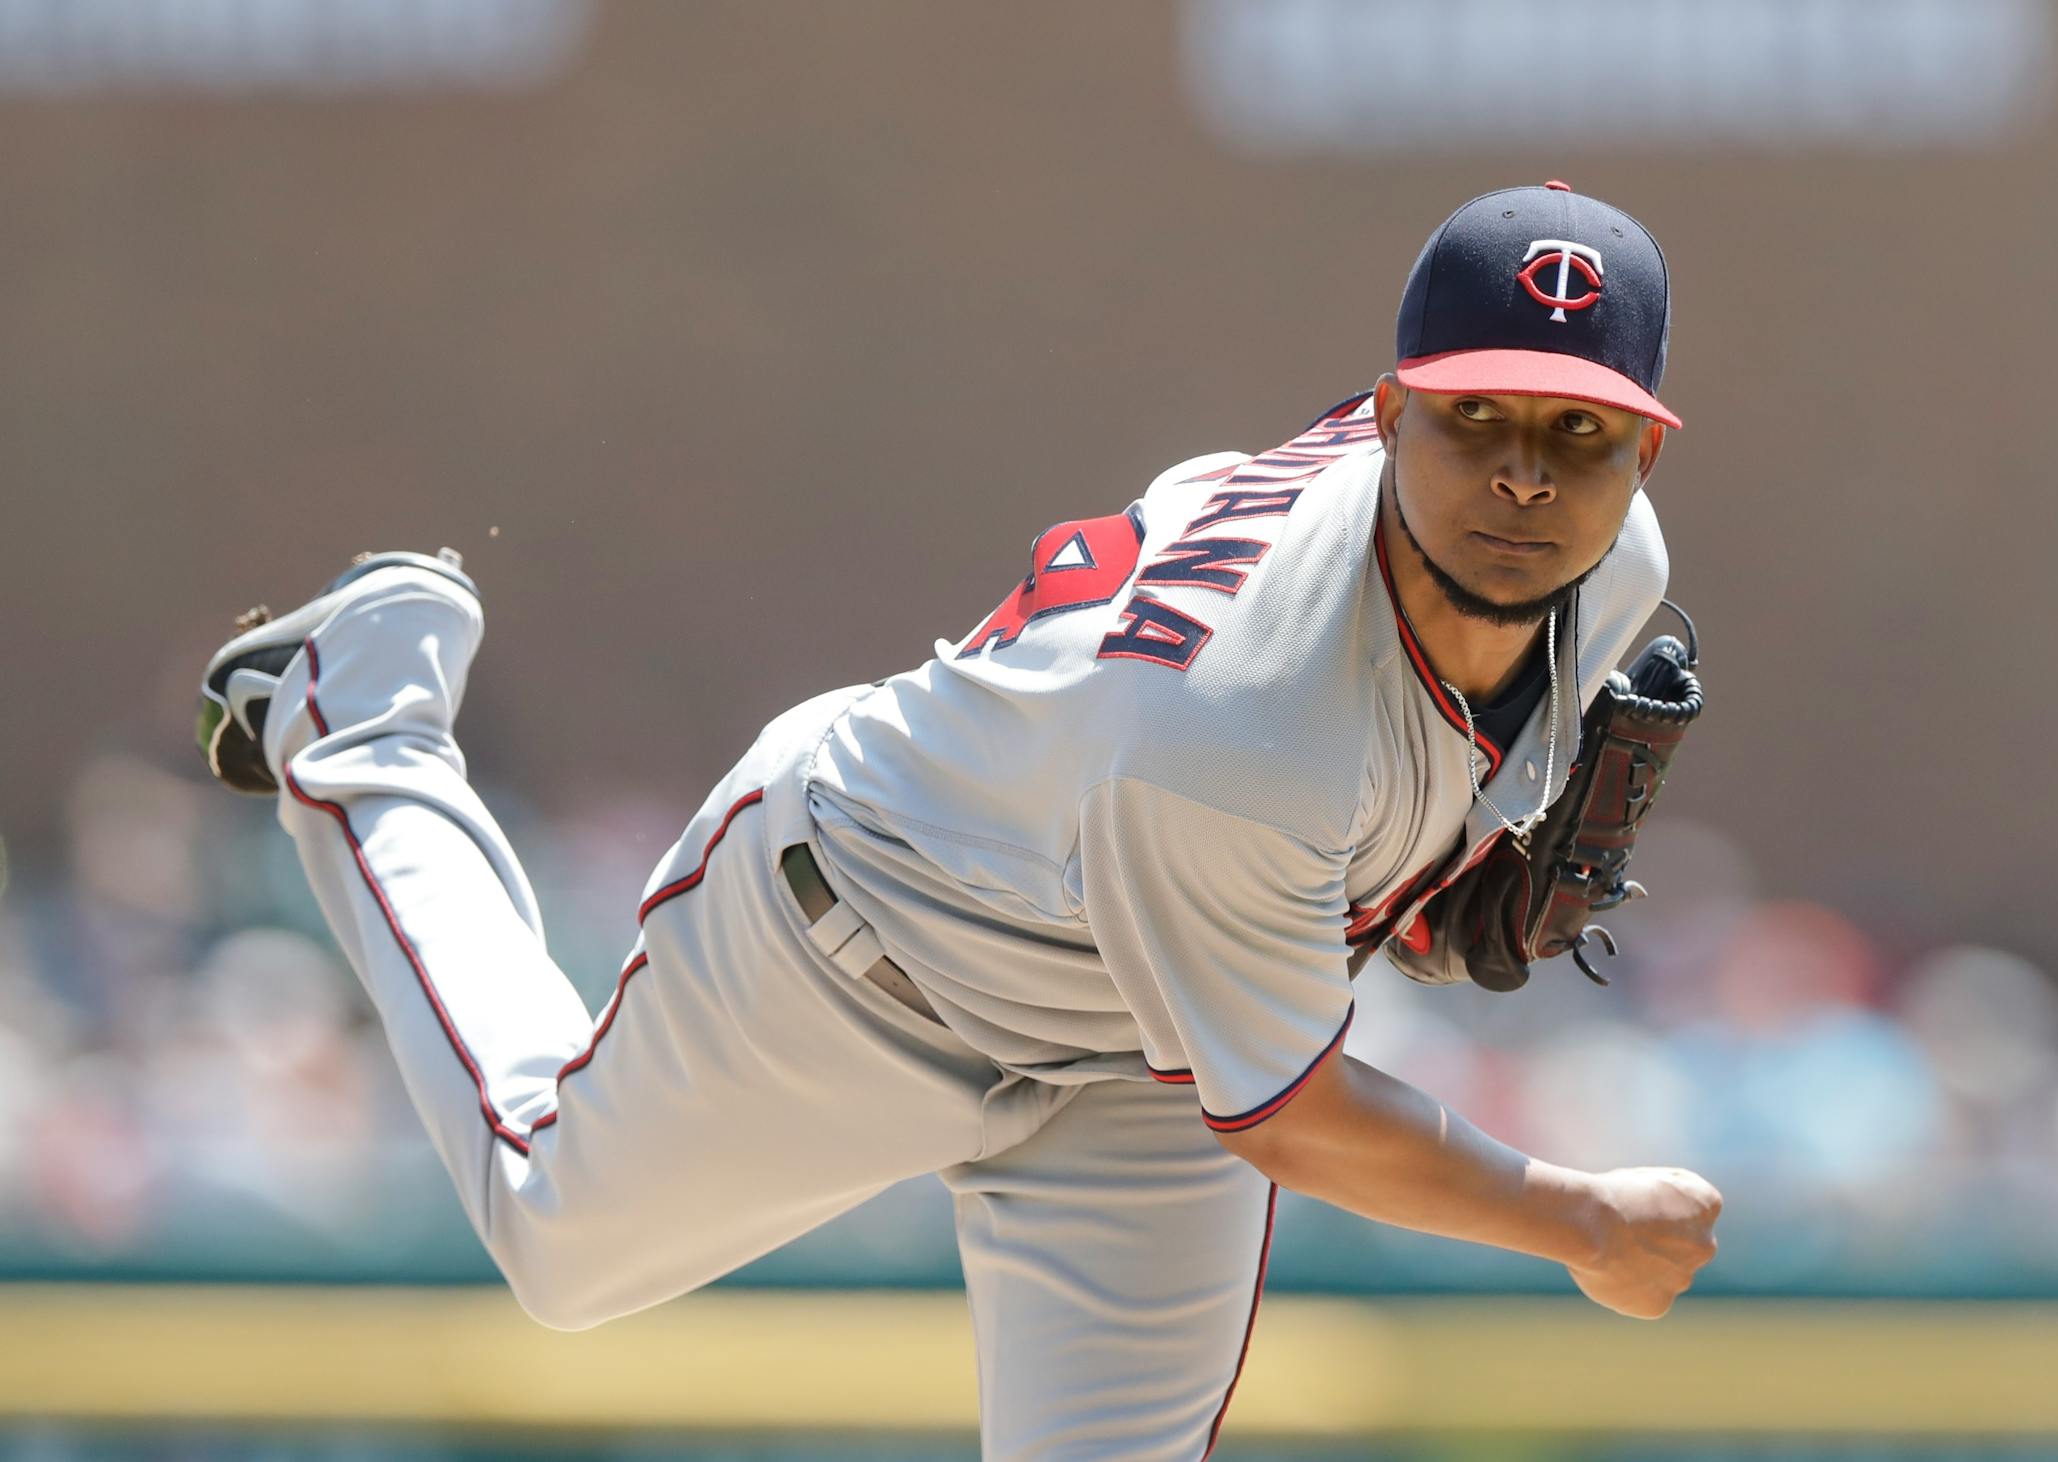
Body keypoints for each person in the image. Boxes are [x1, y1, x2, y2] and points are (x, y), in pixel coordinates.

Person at [195, 180, 1722, 1459]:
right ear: (1389, 414)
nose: (1526, 473)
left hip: (1147, 1058)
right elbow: (1295, 1115)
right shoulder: (1227, 722)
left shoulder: (1613, 569)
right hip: (857, 943)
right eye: (1479, 418)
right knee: (556, 1238)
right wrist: (1578, 1219)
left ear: (1646, 452)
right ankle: (364, 711)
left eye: (1581, 431)